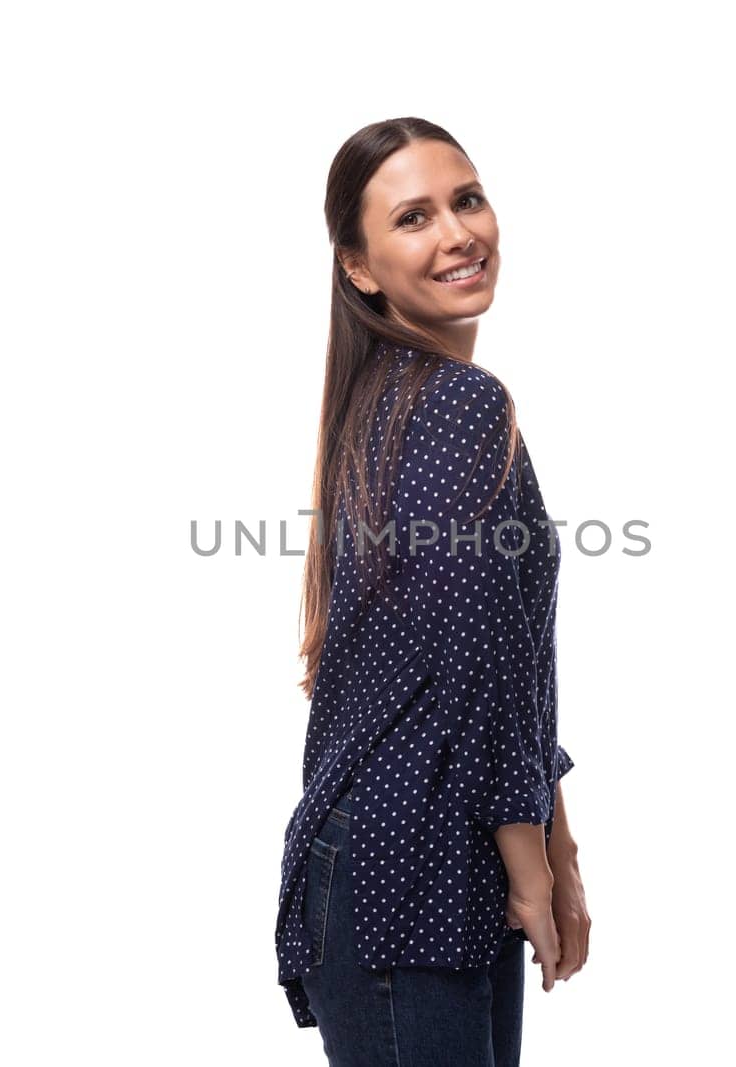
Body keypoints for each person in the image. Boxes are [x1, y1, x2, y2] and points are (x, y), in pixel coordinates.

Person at [275, 117, 592, 1066]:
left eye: (467, 199)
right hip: (404, 867)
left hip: (422, 859)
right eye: (413, 217)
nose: (457, 232)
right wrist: (535, 862)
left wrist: (556, 842)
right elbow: (477, 660)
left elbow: (505, 656)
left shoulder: (393, 399)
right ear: (360, 266)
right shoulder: (455, 401)